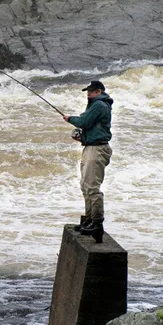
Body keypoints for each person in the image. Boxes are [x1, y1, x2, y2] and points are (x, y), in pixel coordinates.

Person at [62, 80, 113, 242]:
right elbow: (91, 126)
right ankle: (89, 219)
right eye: (88, 92)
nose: (88, 94)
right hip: (91, 148)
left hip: (97, 150)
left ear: (99, 91)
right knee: (85, 185)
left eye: (91, 91)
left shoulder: (99, 105)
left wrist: (70, 119)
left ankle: (97, 223)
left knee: (92, 187)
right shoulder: (97, 104)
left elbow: (84, 121)